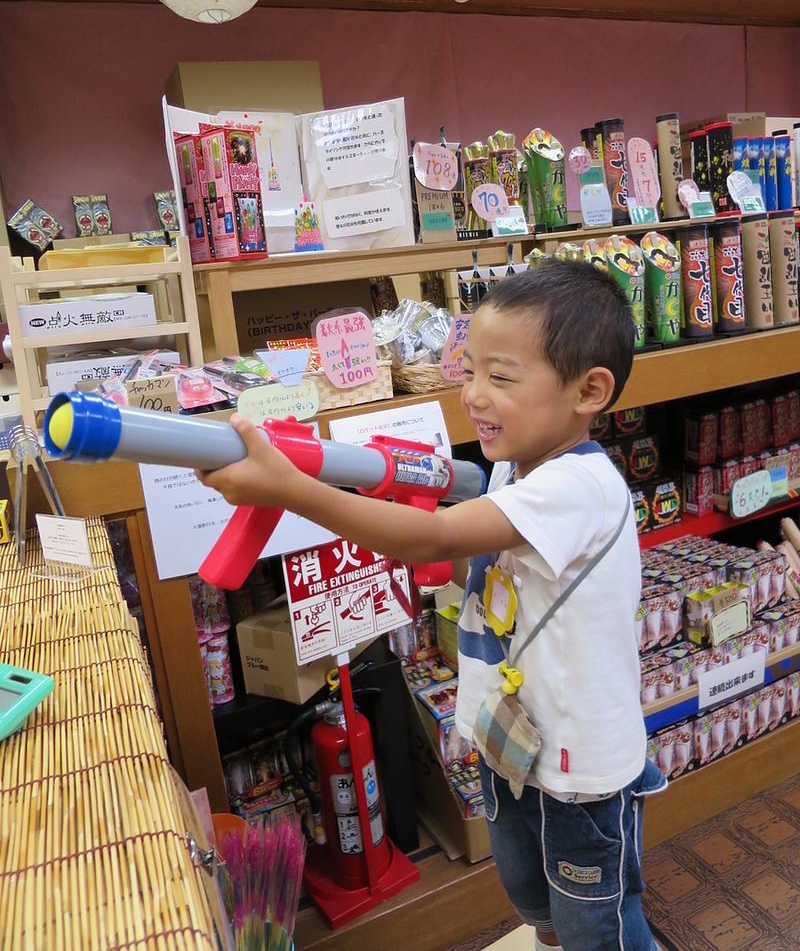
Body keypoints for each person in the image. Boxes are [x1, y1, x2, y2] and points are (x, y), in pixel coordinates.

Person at [197, 259, 666, 951]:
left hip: (580, 772)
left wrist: (291, 486)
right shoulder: (516, 467)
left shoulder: (580, 487)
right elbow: (467, 558)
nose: (473, 394)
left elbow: (437, 534)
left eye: (500, 376)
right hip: (511, 740)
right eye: (468, 368)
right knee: (532, 891)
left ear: (588, 390)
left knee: (595, 920)